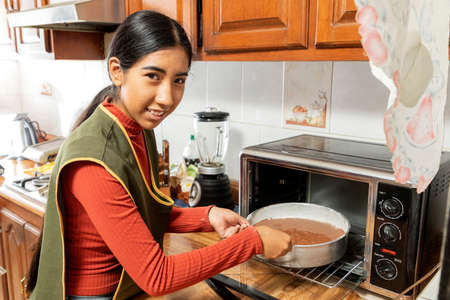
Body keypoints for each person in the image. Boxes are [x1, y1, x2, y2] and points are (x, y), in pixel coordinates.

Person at [25, 10, 292, 300]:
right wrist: (253, 241)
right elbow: (157, 276)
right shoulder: (95, 158)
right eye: (153, 76)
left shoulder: (136, 128)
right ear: (117, 71)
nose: (167, 98)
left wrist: (208, 215)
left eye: (179, 80)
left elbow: (144, 214)